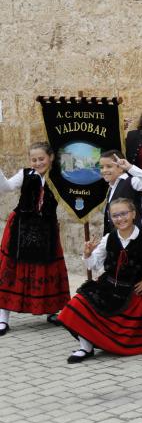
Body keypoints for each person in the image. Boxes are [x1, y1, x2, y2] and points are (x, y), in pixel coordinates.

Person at [58, 198, 142, 362]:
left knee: (126, 324)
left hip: (131, 291)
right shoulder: (108, 238)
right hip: (107, 286)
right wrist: (87, 254)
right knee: (77, 304)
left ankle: (110, 342)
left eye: (124, 214)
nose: (120, 219)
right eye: (115, 216)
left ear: (134, 214)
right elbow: (93, 265)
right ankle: (86, 348)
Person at [0, 142, 70, 335]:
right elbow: (5, 188)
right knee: (11, 270)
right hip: (21, 227)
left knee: (48, 268)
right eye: (34, 159)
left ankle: (52, 310)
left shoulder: (60, 177)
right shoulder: (24, 174)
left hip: (46, 229)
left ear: (51, 158)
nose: (37, 162)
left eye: (41, 159)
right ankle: (2, 318)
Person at [97, 150, 142, 234]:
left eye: (109, 166)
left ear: (121, 168)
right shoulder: (111, 187)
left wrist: (129, 167)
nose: (104, 170)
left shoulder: (131, 182)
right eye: (101, 167)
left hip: (134, 240)